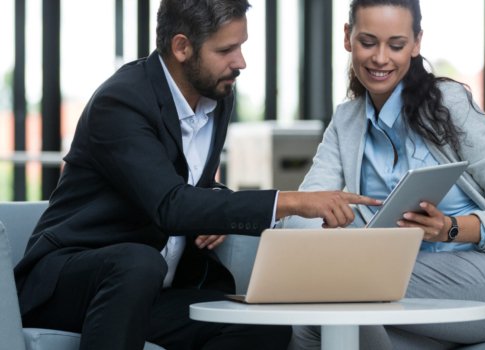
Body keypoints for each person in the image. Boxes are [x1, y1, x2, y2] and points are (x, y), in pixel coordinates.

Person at [13, 1, 379, 349]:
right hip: (70, 285)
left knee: (262, 329)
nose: (241, 62)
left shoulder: (217, 96)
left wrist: (215, 205)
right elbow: (170, 204)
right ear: (182, 47)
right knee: (138, 263)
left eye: (242, 46)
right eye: (226, 50)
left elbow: (183, 184)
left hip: (151, 292)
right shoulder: (121, 102)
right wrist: (294, 201)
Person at [284, 0, 485, 349]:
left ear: (416, 43)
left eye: (396, 45)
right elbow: (304, 213)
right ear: (347, 37)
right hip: (413, 289)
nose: (381, 58)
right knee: (319, 327)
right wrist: (327, 225)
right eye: (368, 42)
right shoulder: (346, 122)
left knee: (339, 284)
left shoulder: (449, 105)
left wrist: (451, 229)